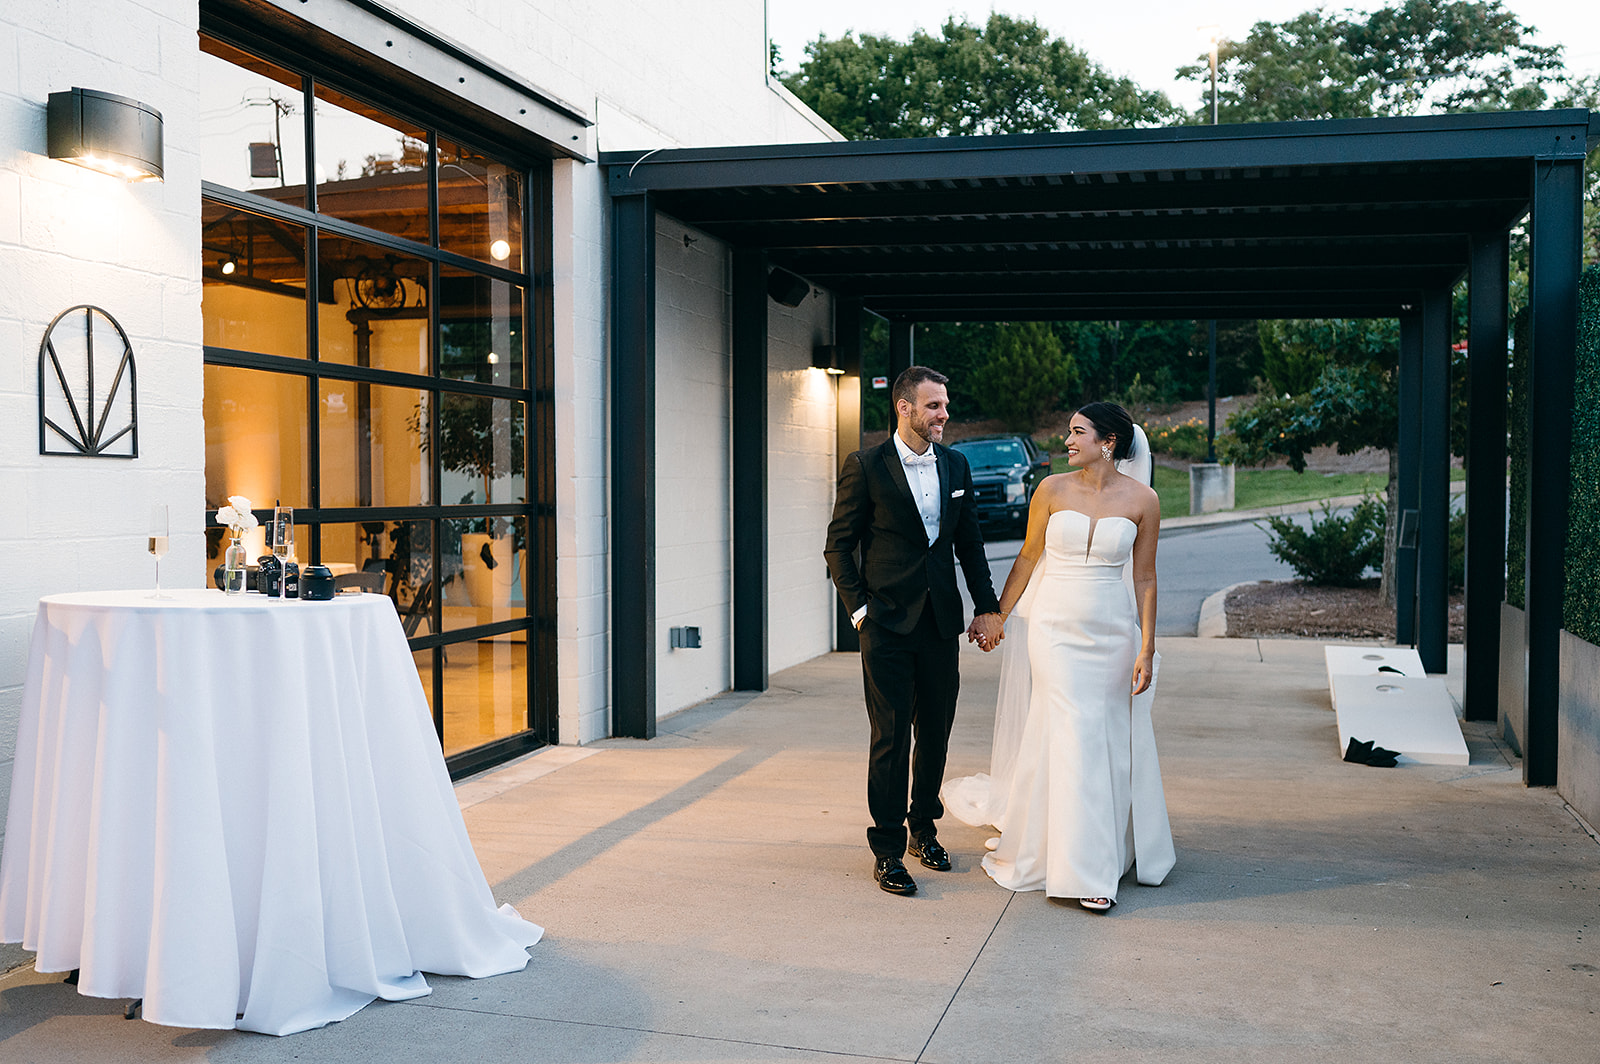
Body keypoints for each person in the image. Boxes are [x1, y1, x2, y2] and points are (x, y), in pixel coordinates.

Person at [943, 402, 1175, 911]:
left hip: (1113, 633)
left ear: (1108, 441)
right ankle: (1087, 872)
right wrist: (997, 616)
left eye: (1077, 432)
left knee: (1102, 737)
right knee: (1075, 732)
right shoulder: (1050, 490)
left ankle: (1089, 845)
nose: (1067, 440)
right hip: (1053, 631)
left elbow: (1145, 578)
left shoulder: (1145, 500)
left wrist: (1147, 647)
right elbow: (1028, 557)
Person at [824, 366, 1005, 896]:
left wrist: (986, 607)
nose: (943, 415)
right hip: (885, 625)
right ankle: (886, 848)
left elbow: (969, 545)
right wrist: (859, 612)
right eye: (933, 406)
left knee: (936, 733)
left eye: (945, 405)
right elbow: (839, 545)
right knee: (891, 736)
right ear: (903, 408)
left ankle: (922, 830)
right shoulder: (866, 466)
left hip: (938, 624)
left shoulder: (956, 465)